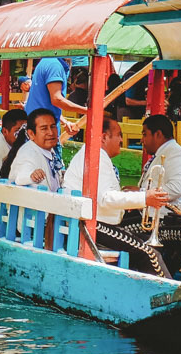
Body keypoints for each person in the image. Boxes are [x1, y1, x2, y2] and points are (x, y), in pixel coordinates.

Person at [63, 117, 172, 278]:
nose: (121, 139)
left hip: (90, 222)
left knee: (148, 242)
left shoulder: (93, 154)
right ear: (104, 137)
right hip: (92, 226)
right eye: (118, 135)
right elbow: (106, 199)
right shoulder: (97, 156)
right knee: (149, 253)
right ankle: (172, 296)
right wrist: (144, 198)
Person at [135, 114, 181, 218]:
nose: (142, 140)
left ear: (158, 134)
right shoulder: (166, 152)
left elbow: (176, 189)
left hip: (168, 219)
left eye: (145, 134)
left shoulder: (177, 154)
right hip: (154, 215)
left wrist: (142, 194)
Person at [3, 109, 66, 191]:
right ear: (31, 134)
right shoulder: (28, 153)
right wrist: (32, 176)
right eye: (44, 128)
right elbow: (20, 177)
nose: (51, 132)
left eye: (53, 127)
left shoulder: (50, 151)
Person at [24, 57, 86, 130]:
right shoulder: (55, 66)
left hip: (38, 125)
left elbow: (47, 103)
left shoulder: (48, 61)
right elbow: (56, 99)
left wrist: (65, 122)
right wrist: (87, 110)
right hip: (42, 129)